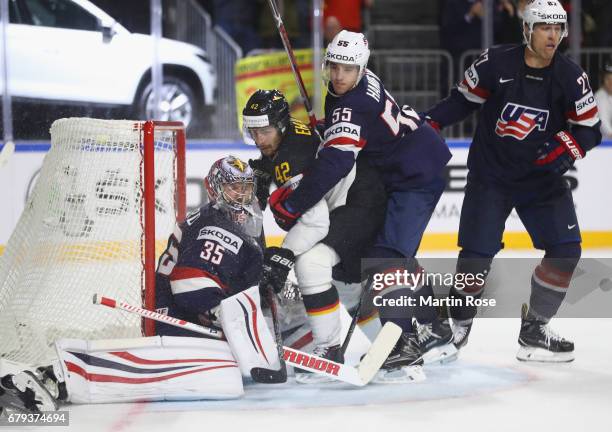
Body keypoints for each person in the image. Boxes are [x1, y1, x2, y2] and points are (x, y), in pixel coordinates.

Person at [0, 157, 292, 412]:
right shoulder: (218, 227)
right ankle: (63, 375)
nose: (241, 195)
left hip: (179, 314)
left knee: (230, 368)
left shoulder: (223, 220)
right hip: (177, 321)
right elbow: (190, 286)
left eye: (245, 187)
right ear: (215, 189)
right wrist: (223, 316)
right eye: (233, 187)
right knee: (223, 373)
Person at [267, 30, 454, 382]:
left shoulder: (353, 103)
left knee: (386, 257)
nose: (339, 75)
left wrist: (294, 204)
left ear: (361, 68)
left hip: (415, 175)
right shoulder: (356, 86)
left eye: (348, 68)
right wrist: (328, 126)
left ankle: (404, 343)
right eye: (335, 66)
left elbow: (335, 164)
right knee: (393, 255)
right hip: (407, 163)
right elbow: (357, 129)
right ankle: (434, 325)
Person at [425, 0, 602, 362]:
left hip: (542, 180)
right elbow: (461, 101)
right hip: (492, 174)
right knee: (475, 256)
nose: (553, 35)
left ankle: (535, 329)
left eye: (558, 28)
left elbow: (590, 130)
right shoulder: (495, 62)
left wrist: (563, 149)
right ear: (527, 30)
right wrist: (427, 122)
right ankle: (456, 328)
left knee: (566, 250)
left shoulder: (571, 76)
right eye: (544, 28)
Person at [242, 89, 387, 382]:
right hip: (357, 198)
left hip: (358, 203)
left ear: (280, 126)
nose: (259, 140)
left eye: (265, 132)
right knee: (344, 286)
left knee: (311, 264)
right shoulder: (284, 139)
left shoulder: (290, 156)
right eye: (254, 132)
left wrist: (284, 255)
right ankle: (391, 345)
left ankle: (329, 351)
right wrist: (263, 170)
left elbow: (316, 222)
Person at [595, 63, 612, 139]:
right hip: (602, 144)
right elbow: (603, 121)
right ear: (603, 80)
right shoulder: (599, 96)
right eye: (608, 79)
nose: (611, 83)